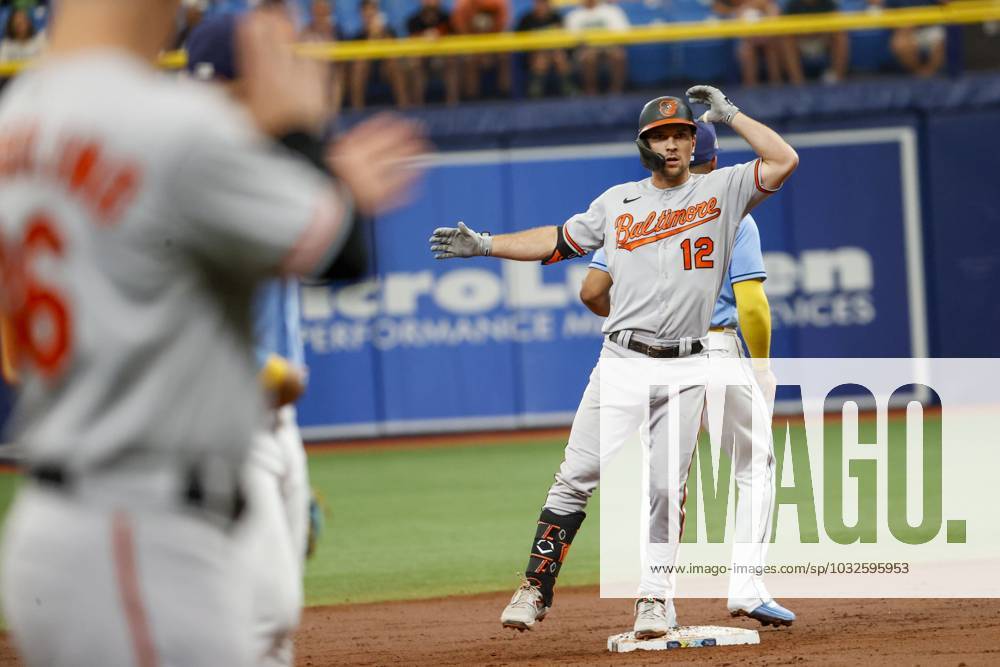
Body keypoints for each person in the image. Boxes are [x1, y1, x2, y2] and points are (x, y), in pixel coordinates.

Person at [0, 3, 425, 666]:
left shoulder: (21, 113)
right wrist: (298, 134)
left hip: (74, 503)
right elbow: (338, 248)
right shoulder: (163, 126)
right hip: (139, 523)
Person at [429, 86, 798, 638]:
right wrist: (487, 245)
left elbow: (783, 160)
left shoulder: (724, 191)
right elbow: (557, 242)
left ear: (693, 139)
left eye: (680, 134)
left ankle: (654, 599)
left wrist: (735, 116)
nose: (671, 145)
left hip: (688, 364)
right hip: (623, 359)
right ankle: (535, 586)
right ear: (644, 145)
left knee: (665, 488)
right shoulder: (619, 201)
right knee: (576, 475)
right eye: (660, 136)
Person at [350, 0, 409, 110]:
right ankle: (356, 110)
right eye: (366, 13)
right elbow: (359, 60)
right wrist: (372, 37)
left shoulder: (389, 31)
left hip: (385, 70)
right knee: (359, 68)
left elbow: (395, 54)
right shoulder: (357, 36)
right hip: (366, 71)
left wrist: (381, 34)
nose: (369, 16)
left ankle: (405, 107)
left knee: (395, 66)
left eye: (372, 12)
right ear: (361, 15)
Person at [563, 0, 629, 95]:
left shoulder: (612, 10)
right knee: (589, 56)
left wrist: (605, 41)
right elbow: (571, 37)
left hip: (609, 46)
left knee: (618, 55)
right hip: (586, 48)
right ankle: (591, 91)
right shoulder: (574, 15)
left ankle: (616, 91)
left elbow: (623, 31)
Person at [712, 0, 784, 87]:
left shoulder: (767, 5)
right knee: (746, 49)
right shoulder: (732, 6)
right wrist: (739, 9)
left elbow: (771, 11)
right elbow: (717, 8)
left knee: (772, 46)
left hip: (767, 36)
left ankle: (777, 83)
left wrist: (765, 35)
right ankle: (750, 87)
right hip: (745, 38)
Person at [869, 0, 947, 77]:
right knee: (899, 43)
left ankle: (931, 74)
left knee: (941, 39)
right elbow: (882, 10)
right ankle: (920, 73)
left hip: (931, 26)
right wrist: (902, 25)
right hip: (906, 30)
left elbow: (946, 3)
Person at [451, 0, 511, 99]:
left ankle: (504, 96)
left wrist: (487, 49)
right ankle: (471, 98)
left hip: (493, 44)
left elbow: (502, 27)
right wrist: (477, 50)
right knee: (469, 59)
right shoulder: (463, 4)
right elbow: (460, 30)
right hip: (471, 44)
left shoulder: (498, 3)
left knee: (504, 56)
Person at [515, 0, 575, 98]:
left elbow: (564, 38)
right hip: (533, 53)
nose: (542, 6)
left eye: (544, 4)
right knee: (540, 60)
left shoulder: (556, 17)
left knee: (559, 57)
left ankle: (568, 88)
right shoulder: (526, 19)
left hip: (554, 50)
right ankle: (535, 91)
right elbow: (518, 40)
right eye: (539, 3)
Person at [405, 0, 460, 106]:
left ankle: (453, 103)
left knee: (451, 59)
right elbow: (412, 45)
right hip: (422, 57)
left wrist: (438, 35)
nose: (430, 2)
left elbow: (454, 40)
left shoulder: (447, 18)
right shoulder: (413, 20)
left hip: (442, 57)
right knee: (415, 61)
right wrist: (424, 38)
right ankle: (417, 105)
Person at [780, 0, 849, 84]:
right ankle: (797, 81)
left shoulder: (828, 3)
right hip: (801, 42)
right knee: (786, 39)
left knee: (840, 35)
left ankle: (838, 77)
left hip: (822, 40)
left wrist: (818, 31)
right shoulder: (792, 5)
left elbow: (838, 21)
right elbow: (783, 27)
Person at [301, 0, 348, 116]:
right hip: (311, 73)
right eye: (317, 7)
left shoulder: (337, 31)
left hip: (332, 72)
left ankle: (334, 112)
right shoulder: (306, 31)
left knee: (339, 74)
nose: (319, 10)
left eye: (322, 7)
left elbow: (341, 63)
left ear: (329, 10)